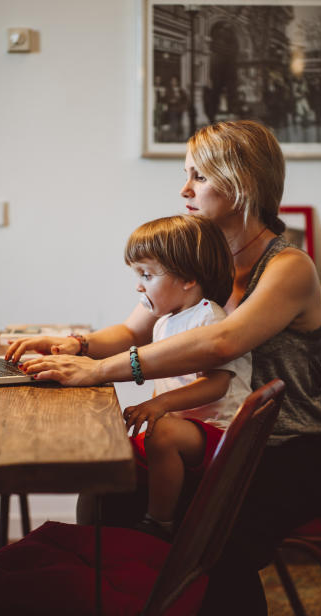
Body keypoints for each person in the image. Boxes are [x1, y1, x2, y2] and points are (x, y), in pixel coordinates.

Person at [5, 120, 321, 616]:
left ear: (242, 182)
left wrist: (98, 371)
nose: (185, 190)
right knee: (113, 495)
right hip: (225, 441)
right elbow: (135, 329)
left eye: (199, 177)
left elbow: (222, 343)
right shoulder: (202, 258)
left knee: (211, 544)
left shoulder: (289, 267)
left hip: (288, 452)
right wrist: (74, 345)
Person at [121, 215, 252, 541]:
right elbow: (167, 382)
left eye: (147, 275)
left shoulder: (209, 318)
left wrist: (161, 406)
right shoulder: (165, 321)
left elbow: (217, 383)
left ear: (188, 278)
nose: (139, 285)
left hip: (221, 434)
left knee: (160, 432)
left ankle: (160, 522)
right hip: (189, 427)